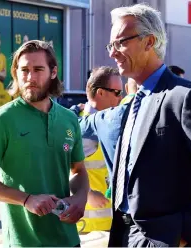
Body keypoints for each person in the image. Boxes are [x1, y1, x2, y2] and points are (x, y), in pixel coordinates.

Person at [101, 4, 191, 246]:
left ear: (149, 42)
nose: (113, 53)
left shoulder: (186, 96)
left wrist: (188, 232)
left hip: (164, 237)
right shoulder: (135, 101)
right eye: (110, 45)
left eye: (121, 42)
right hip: (124, 233)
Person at [0, 40, 89, 247]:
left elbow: (78, 170)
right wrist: (26, 199)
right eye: (24, 70)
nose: (30, 78)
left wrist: (80, 198)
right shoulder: (2, 119)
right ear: (16, 73)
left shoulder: (69, 119)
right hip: (22, 242)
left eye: (38, 69)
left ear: (53, 72)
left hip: (69, 240)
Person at [70, 66, 123, 233]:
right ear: (100, 93)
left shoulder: (108, 125)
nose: (121, 97)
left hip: (108, 226)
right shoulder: (84, 131)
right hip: (88, 228)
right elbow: (60, 169)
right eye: (117, 92)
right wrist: (88, 194)